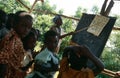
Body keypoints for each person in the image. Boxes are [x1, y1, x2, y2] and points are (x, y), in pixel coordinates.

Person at [0, 10, 33, 78]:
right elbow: (3, 61)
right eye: (23, 25)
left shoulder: (17, 38)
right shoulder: (12, 39)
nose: (26, 30)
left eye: (29, 28)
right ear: (14, 23)